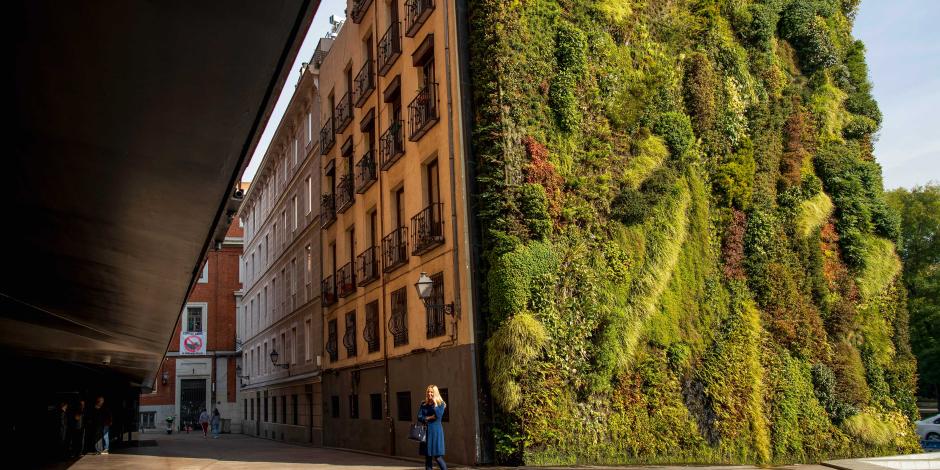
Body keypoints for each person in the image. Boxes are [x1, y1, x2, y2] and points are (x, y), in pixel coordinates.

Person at [417, 385, 447, 470]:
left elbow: (439, 415)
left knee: (438, 457)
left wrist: (435, 404)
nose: (429, 393)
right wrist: (429, 418)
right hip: (426, 433)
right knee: (428, 458)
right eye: (428, 392)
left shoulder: (441, 404)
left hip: (436, 433)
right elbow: (419, 417)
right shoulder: (423, 404)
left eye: (431, 392)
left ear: (435, 393)